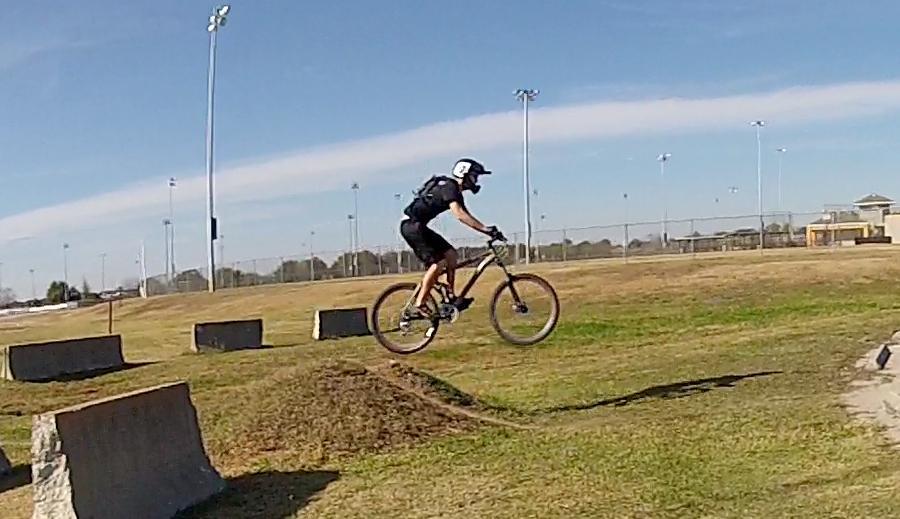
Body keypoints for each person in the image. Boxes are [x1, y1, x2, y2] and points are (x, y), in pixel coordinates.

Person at [400, 158, 504, 316]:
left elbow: (466, 215)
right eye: (474, 176)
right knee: (438, 263)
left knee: (451, 254)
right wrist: (486, 229)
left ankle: (450, 297)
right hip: (412, 227)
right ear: (464, 174)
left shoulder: (454, 191)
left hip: (418, 226)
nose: (476, 180)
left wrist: (486, 229)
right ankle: (420, 303)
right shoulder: (450, 186)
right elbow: (460, 215)